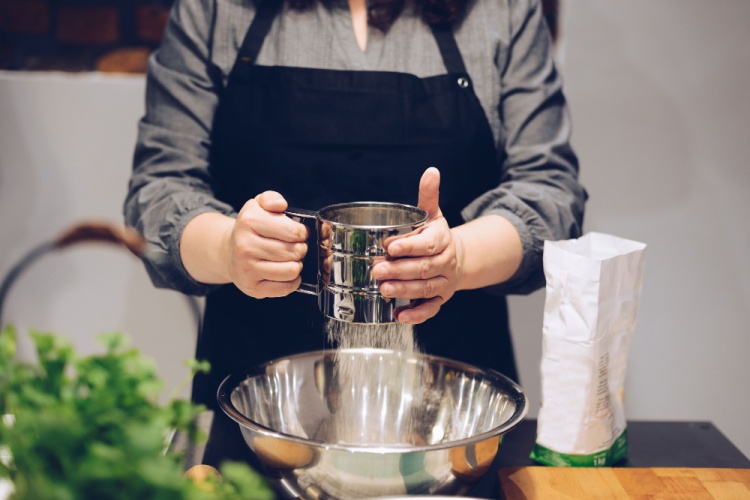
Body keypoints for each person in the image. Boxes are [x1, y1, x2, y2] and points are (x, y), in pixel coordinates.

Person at [124, 0, 586, 467]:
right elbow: (159, 189)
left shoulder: (501, 11)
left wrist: (458, 258)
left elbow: (550, 195)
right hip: (256, 414)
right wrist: (227, 249)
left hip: (451, 426)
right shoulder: (216, 9)